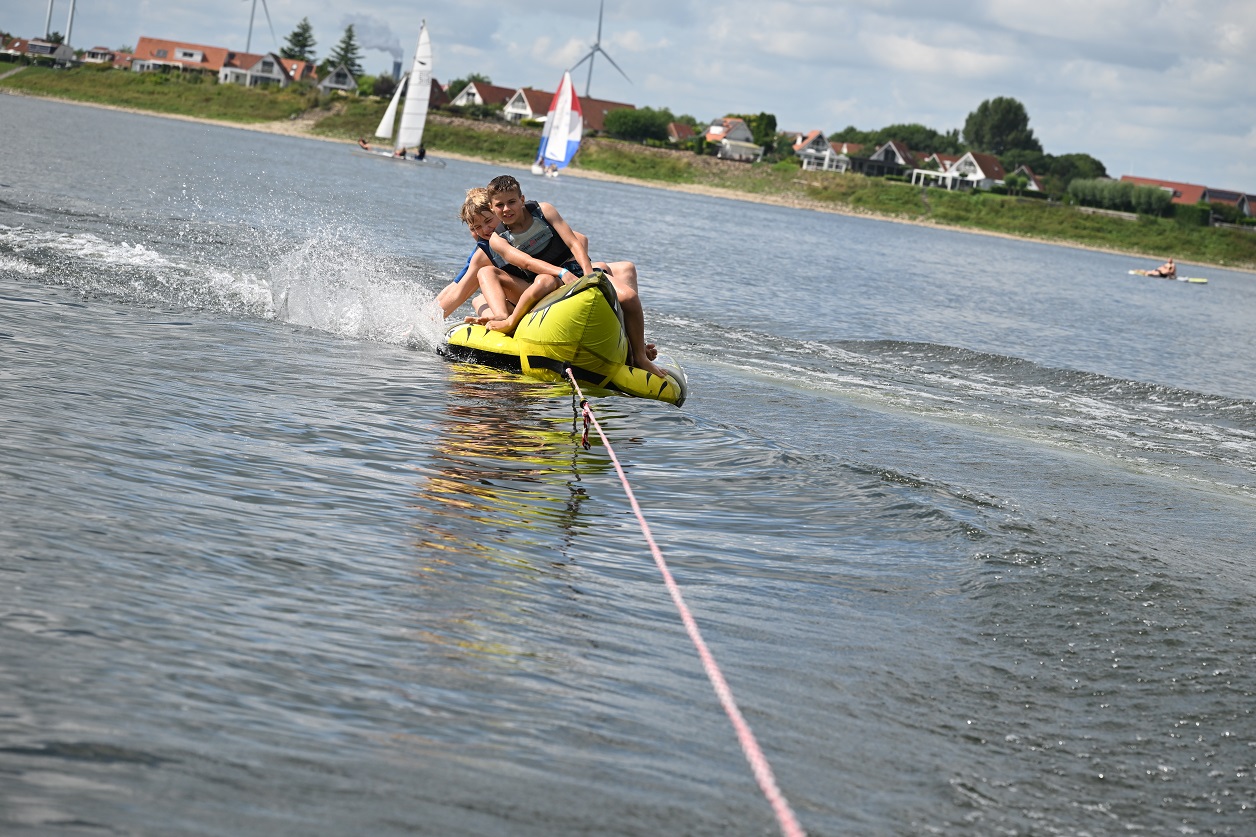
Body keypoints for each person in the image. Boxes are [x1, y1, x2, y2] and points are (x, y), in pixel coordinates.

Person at [474, 174, 663, 376]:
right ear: (493, 208)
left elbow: (573, 243)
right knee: (544, 280)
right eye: (500, 205)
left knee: (629, 297)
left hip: (576, 270)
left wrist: (590, 276)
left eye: (511, 202)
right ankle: (511, 322)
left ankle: (640, 357)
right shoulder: (498, 240)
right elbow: (528, 262)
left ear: (522, 200)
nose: (506, 209)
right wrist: (561, 272)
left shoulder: (543, 211)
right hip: (546, 280)